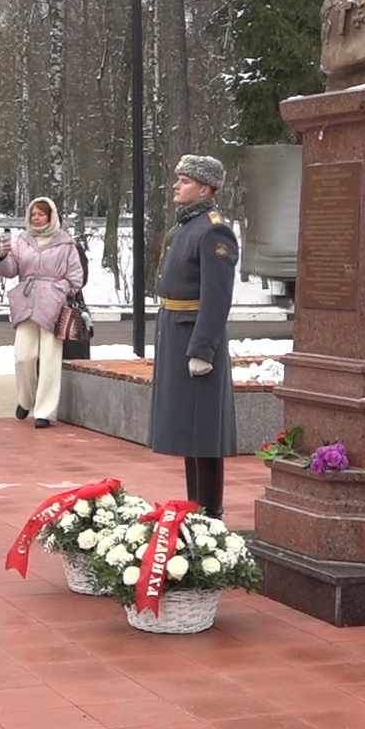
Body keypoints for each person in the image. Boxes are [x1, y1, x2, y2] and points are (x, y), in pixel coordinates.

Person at [149, 156, 239, 518]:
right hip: (176, 331)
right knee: (190, 432)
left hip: (196, 338)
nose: (176, 185)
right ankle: (195, 508)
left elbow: (218, 296)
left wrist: (203, 347)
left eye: (184, 181)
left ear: (205, 189)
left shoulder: (213, 230)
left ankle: (210, 512)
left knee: (204, 434)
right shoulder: (185, 226)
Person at [0, 197, 83, 427]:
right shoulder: (21, 242)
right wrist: (3, 256)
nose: (36, 218)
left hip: (53, 306)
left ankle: (44, 411)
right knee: (23, 356)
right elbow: (10, 271)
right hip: (26, 302)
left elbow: (76, 278)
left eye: (41, 214)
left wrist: (57, 289)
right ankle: (25, 400)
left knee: (50, 359)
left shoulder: (66, 244)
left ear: (51, 216)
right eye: (33, 214)